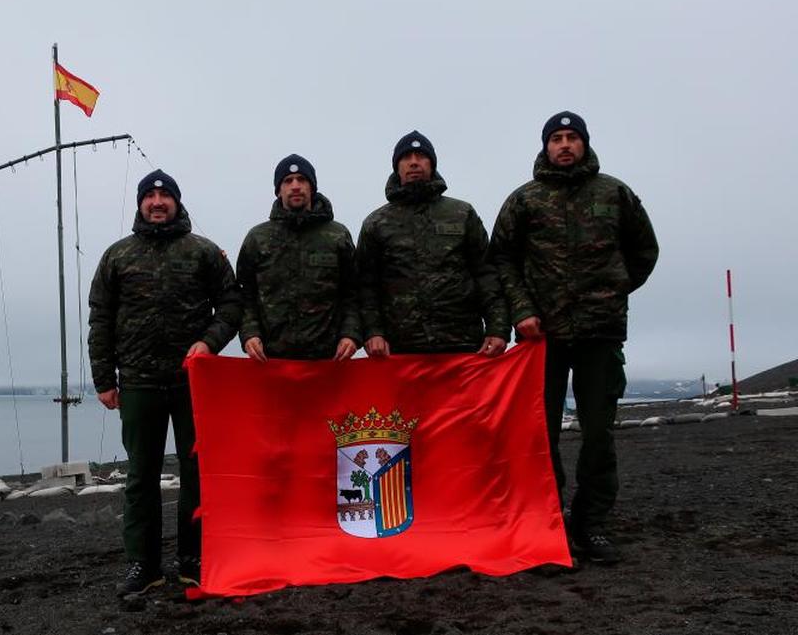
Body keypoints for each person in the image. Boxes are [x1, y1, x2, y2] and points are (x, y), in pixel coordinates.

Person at [488, 111, 659, 563]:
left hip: (599, 334)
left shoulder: (615, 193)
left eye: (572, 138)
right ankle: (546, 521)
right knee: (538, 435)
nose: (564, 145)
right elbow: (500, 260)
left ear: (584, 143)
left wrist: (614, 288)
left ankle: (591, 524)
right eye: (556, 139)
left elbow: (644, 249)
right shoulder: (524, 200)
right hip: (540, 338)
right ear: (545, 146)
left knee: (598, 433)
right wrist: (521, 311)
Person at [87, 168, 241, 595]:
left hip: (193, 383)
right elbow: (100, 318)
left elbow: (231, 303)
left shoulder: (204, 253)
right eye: (149, 196)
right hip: (137, 383)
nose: (157, 202)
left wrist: (209, 343)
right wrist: (104, 378)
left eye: (164, 196)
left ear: (176, 201)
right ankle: (144, 565)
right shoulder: (117, 256)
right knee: (141, 477)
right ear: (140, 204)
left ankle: (193, 558)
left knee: (197, 474)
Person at [356, 130, 509, 358]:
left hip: (463, 345)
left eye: (421, 156)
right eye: (407, 158)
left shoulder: (462, 214)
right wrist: (373, 332)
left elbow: (486, 273)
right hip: (401, 350)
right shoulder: (376, 223)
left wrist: (499, 328)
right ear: (397, 167)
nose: (414, 162)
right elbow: (365, 285)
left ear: (432, 164)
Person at [236, 154, 359, 362]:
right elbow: (245, 295)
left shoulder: (337, 235)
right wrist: (250, 333)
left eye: (302, 180)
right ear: (278, 190)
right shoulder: (257, 238)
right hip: (270, 361)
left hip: (328, 361)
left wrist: (351, 334)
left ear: (312, 187)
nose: (295, 186)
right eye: (288, 181)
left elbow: (353, 291)